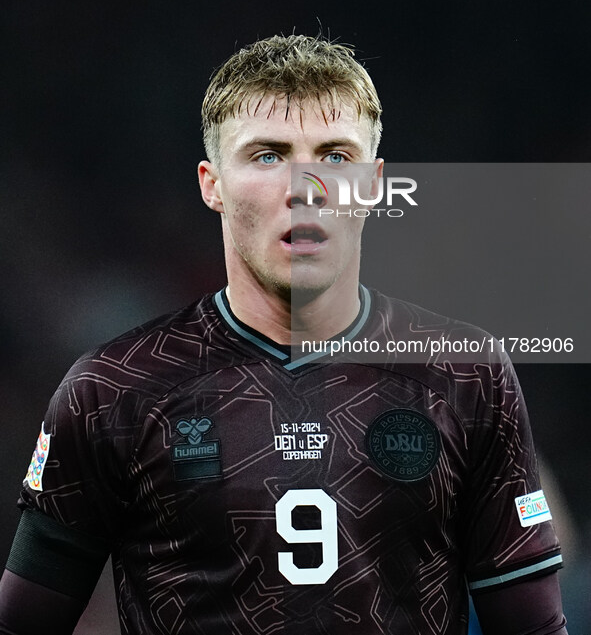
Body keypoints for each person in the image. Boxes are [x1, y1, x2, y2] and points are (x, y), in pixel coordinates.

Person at [0, 35, 568, 634]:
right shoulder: (113, 389)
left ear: (374, 185)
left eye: (335, 156)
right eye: (268, 156)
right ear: (211, 184)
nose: (305, 187)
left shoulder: (464, 375)